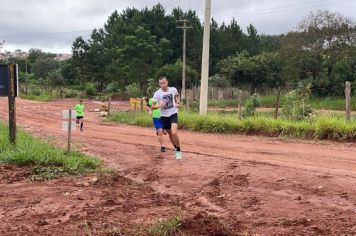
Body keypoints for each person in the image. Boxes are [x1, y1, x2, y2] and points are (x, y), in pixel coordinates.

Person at [152, 76, 182, 160]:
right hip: (164, 116)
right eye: (160, 83)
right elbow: (152, 107)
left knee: (174, 132)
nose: (162, 85)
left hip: (173, 113)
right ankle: (175, 147)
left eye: (164, 83)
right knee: (169, 134)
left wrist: (178, 102)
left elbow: (177, 96)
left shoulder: (173, 89)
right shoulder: (157, 93)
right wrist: (159, 105)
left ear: (167, 82)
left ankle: (178, 150)